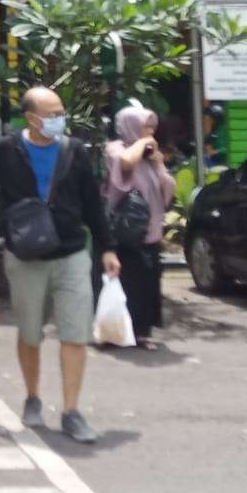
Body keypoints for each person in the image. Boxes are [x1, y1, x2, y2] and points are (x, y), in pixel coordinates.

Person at [0, 86, 120, 445]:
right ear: (31, 118)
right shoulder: (7, 150)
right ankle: (32, 396)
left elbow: (92, 202)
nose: (59, 118)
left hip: (72, 253)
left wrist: (107, 247)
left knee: (75, 333)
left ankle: (72, 411)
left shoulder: (74, 151)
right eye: (51, 113)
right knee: (29, 333)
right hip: (25, 257)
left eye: (61, 111)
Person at [101, 105, 175, 349]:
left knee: (148, 282)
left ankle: (142, 331)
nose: (150, 132)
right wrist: (142, 144)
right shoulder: (116, 149)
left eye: (152, 127)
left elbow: (167, 190)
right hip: (126, 230)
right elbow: (123, 163)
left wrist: (158, 163)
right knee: (126, 281)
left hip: (150, 229)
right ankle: (118, 331)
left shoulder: (150, 155)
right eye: (145, 126)